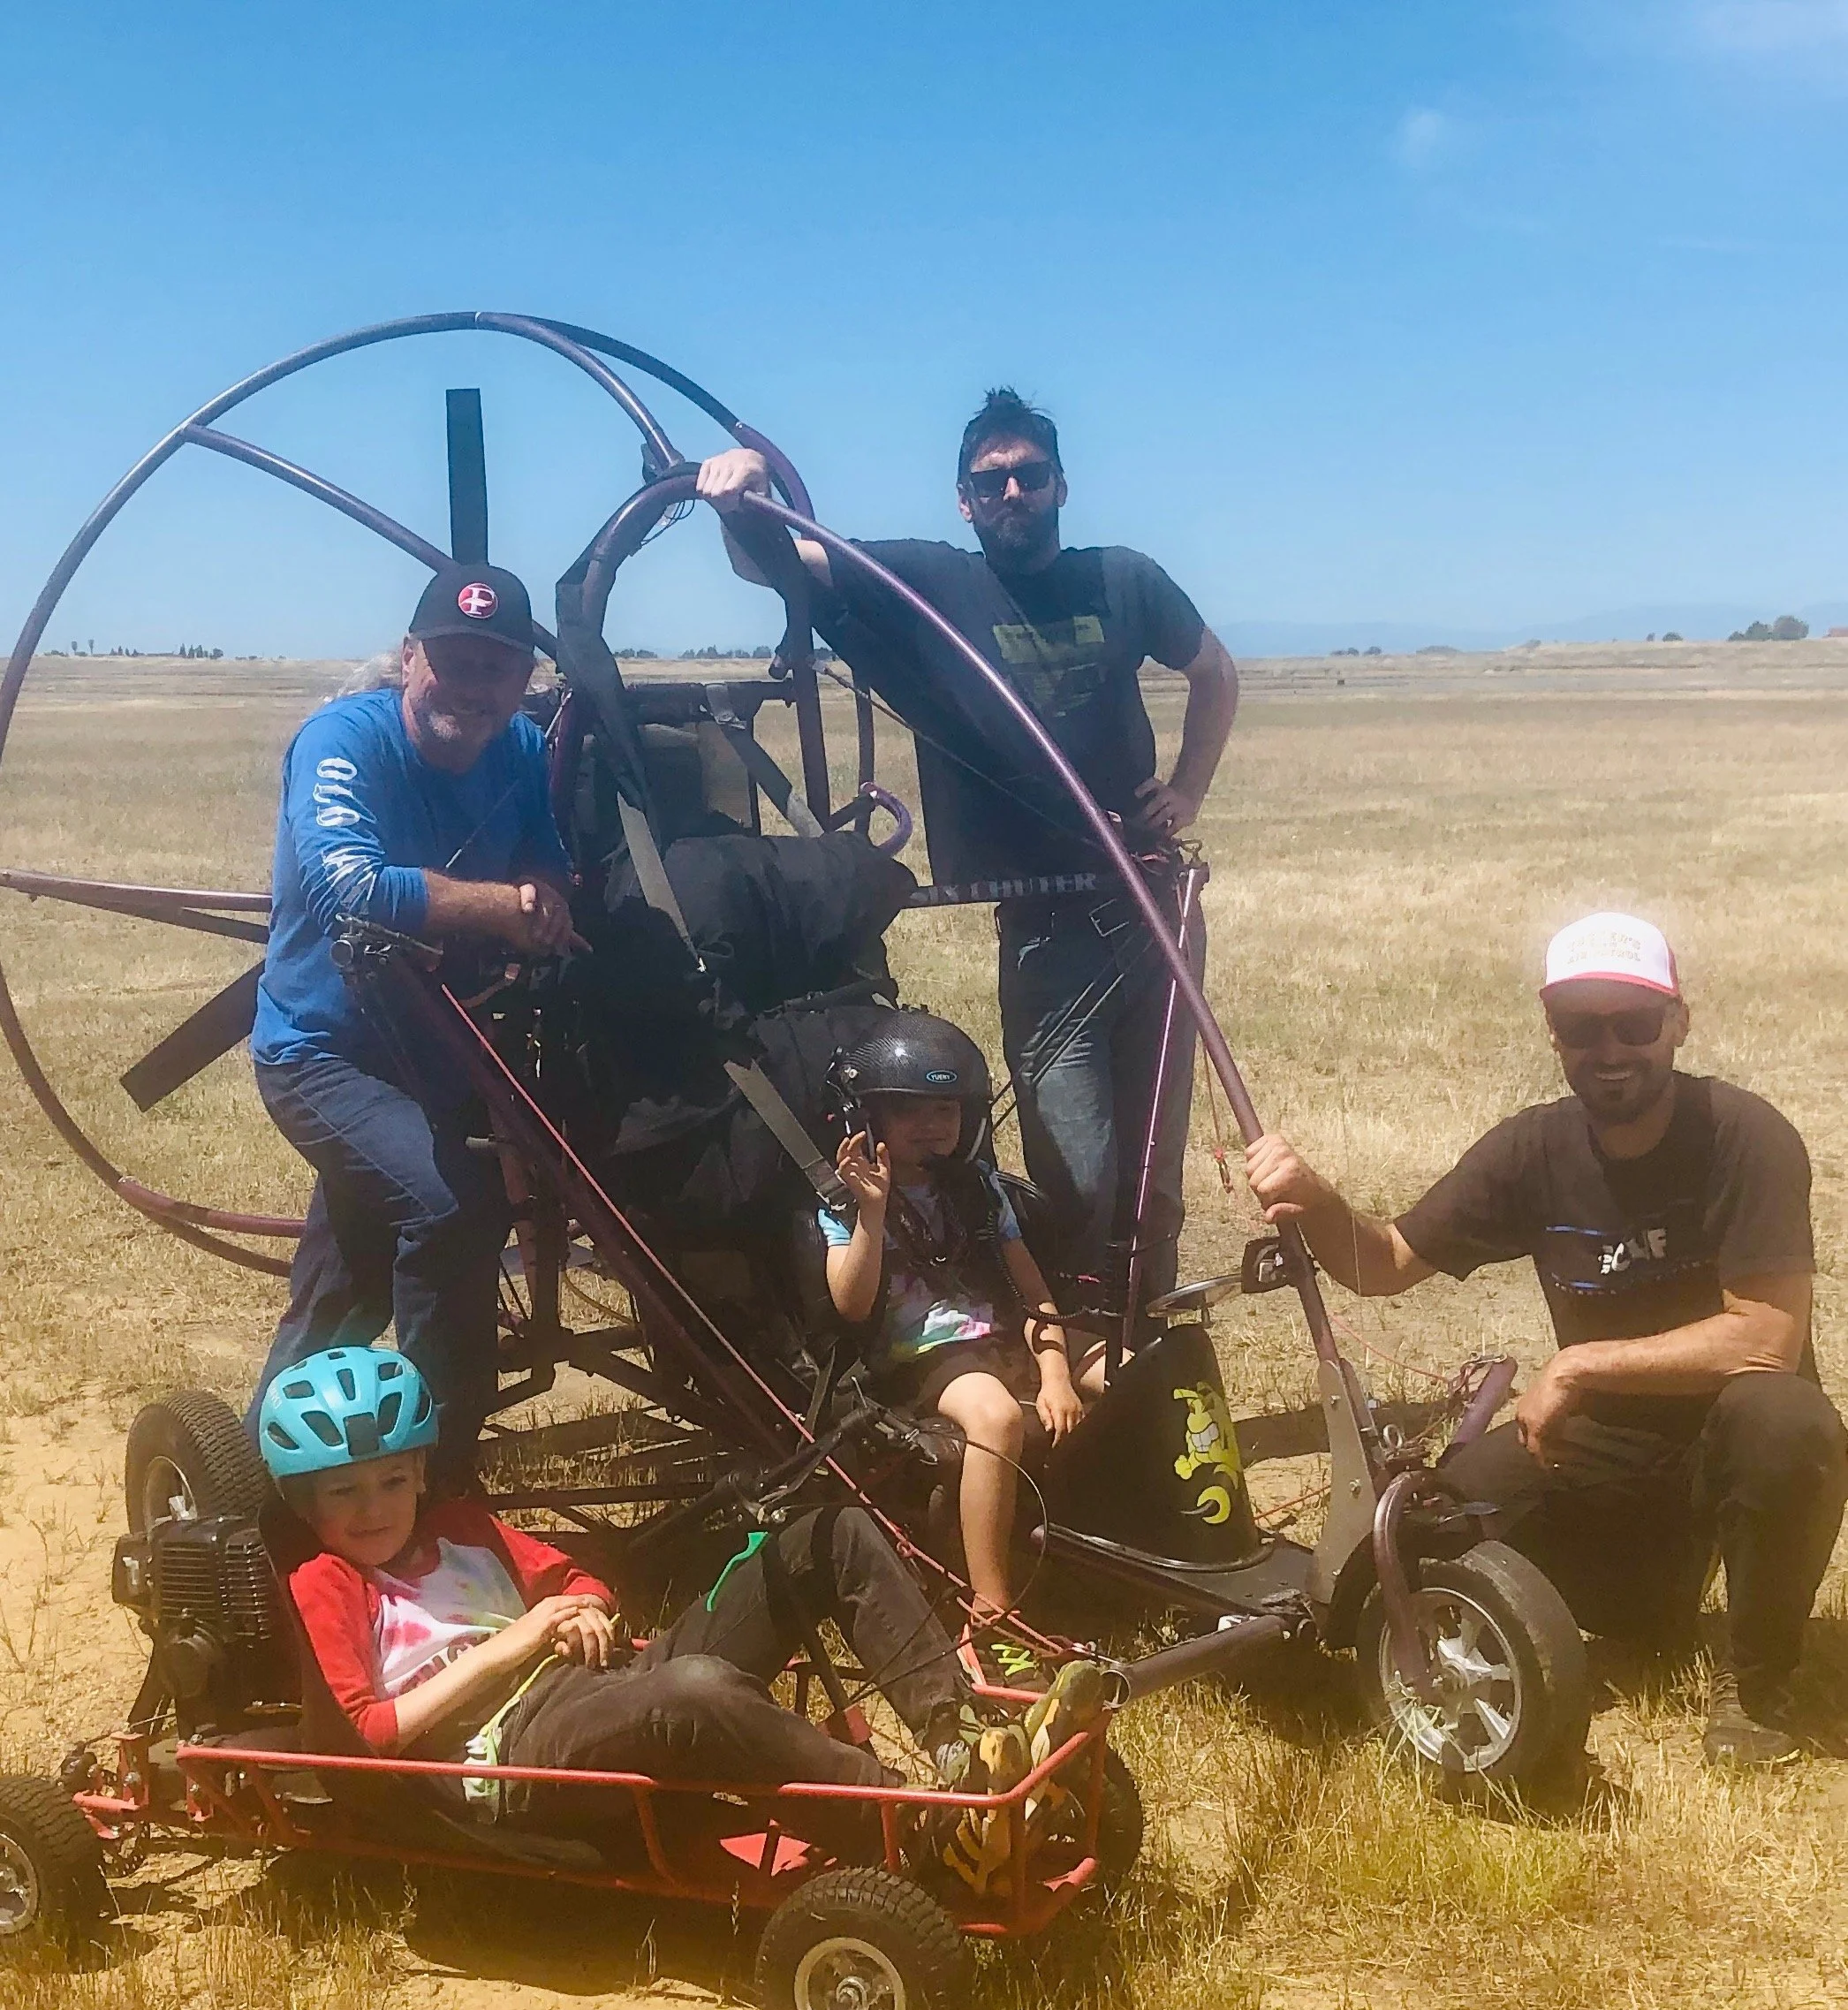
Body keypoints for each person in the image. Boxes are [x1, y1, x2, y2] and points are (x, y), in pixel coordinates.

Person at [1245, 911, 1848, 1769]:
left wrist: (1580, 1362)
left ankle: (1754, 1686)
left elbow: (1766, 1339)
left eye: (1635, 1024)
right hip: (1599, 1443)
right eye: (1580, 1028)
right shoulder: (1532, 1149)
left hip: (1729, 1430)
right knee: (1414, 1534)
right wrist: (1314, 1196)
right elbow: (1383, 1263)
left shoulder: (1744, 1137)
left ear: (1680, 1021)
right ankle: (1643, 1598)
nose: (1610, 1051)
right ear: (1553, 1034)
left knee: (1788, 1425)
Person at [699, 391, 1239, 1309]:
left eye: (1030, 474)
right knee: (1079, 1171)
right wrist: (736, 498)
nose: (1013, 490)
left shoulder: (1123, 579)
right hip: (1045, 924)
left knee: (1155, 1172)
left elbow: (1213, 671)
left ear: (1061, 484)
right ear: (965, 500)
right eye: (992, 480)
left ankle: (1143, 1339)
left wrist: (1186, 788)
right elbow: (780, 564)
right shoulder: (928, 584)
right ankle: (1080, 1336)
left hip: (1152, 910)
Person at [257, 1345, 1095, 1842]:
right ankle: (923, 1828)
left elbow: (580, 1581)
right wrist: (519, 1641)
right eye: (344, 1493)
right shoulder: (325, 1583)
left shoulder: (463, 1528)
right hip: (505, 1754)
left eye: (391, 1481)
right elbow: (370, 1735)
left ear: (419, 1473)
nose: (374, 1510)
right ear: (305, 1504)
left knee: (828, 1532)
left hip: (598, 1685)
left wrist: (582, 1609)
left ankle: (961, 1749)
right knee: (695, 1691)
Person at [246, 563, 581, 1483]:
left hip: (429, 1055)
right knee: (447, 1207)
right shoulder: (340, 741)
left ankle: (262, 1483)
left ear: (523, 683)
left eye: (496, 669)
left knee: (342, 1288)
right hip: (320, 1055)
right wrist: (501, 910)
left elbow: (546, 856)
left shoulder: (517, 748)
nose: (471, 690)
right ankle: (429, 1466)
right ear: (408, 659)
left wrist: (547, 896)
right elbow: (346, 889)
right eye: (453, 662)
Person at [821, 1016, 1100, 1678]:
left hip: (1001, 1336)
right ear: (869, 1117)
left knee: (1123, 1369)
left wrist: (1057, 1371)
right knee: (997, 1416)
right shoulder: (844, 1200)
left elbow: (1034, 1295)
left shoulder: (980, 1191)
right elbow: (851, 1304)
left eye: (943, 1109)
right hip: (922, 1358)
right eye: (909, 1110)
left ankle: (1140, 1538)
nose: (930, 1125)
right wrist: (872, 1212)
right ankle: (991, 1613)